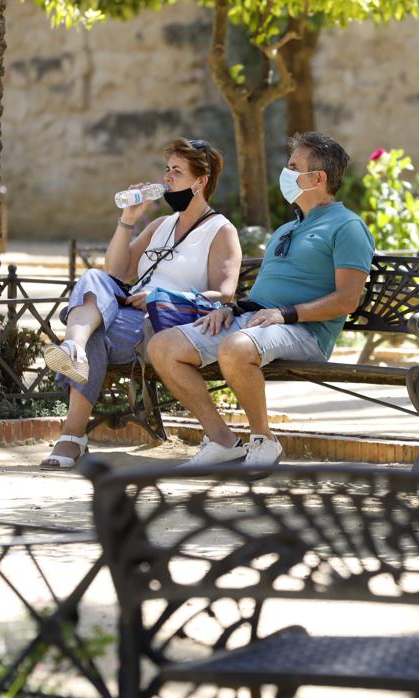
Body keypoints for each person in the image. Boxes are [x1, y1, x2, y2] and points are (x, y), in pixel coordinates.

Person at [147, 131, 375, 469]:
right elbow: (264, 295)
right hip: (259, 321)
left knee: (236, 347)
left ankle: (263, 439)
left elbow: (347, 299)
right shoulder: (286, 230)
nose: (285, 173)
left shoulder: (348, 227)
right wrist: (230, 309)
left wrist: (285, 314)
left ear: (318, 178)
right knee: (163, 346)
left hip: (306, 330)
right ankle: (223, 441)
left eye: (293, 166)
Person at [39, 139, 242, 470]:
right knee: (94, 283)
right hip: (130, 322)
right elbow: (117, 272)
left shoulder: (221, 231)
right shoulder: (160, 226)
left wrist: (163, 297)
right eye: (167, 170)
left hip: (169, 327)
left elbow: (224, 295)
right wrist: (127, 220)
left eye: (177, 171)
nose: (167, 179)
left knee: (98, 332)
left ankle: (71, 436)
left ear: (200, 182)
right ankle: (74, 348)